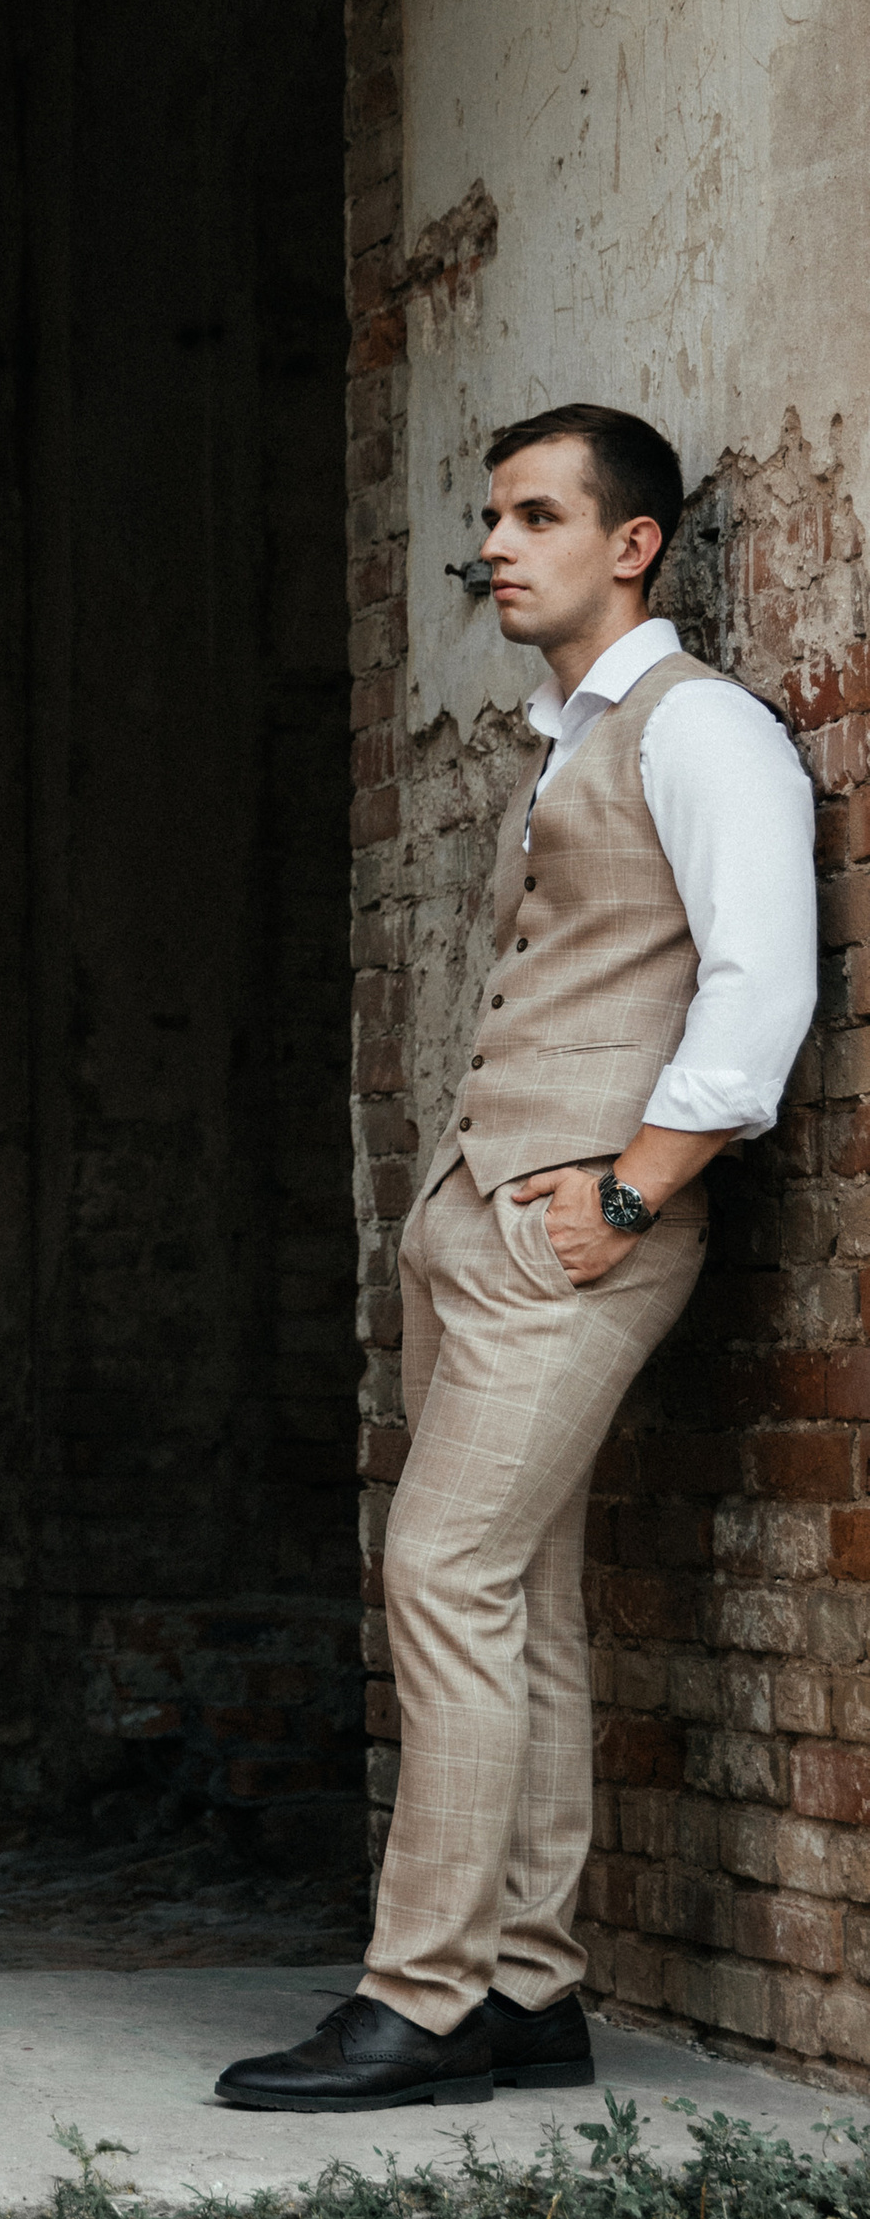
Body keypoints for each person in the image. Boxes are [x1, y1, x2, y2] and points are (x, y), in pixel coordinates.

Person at [218, 404, 817, 2113]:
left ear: (633, 544)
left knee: (444, 1573)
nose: (495, 544)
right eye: (488, 515)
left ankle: (419, 2001)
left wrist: (632, 1191)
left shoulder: (700, 733)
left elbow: (760, 984)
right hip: (484, 1231)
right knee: (523, 1598)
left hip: (579, 1232)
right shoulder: (569, 732)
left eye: (536, 515)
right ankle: (533, 1988)